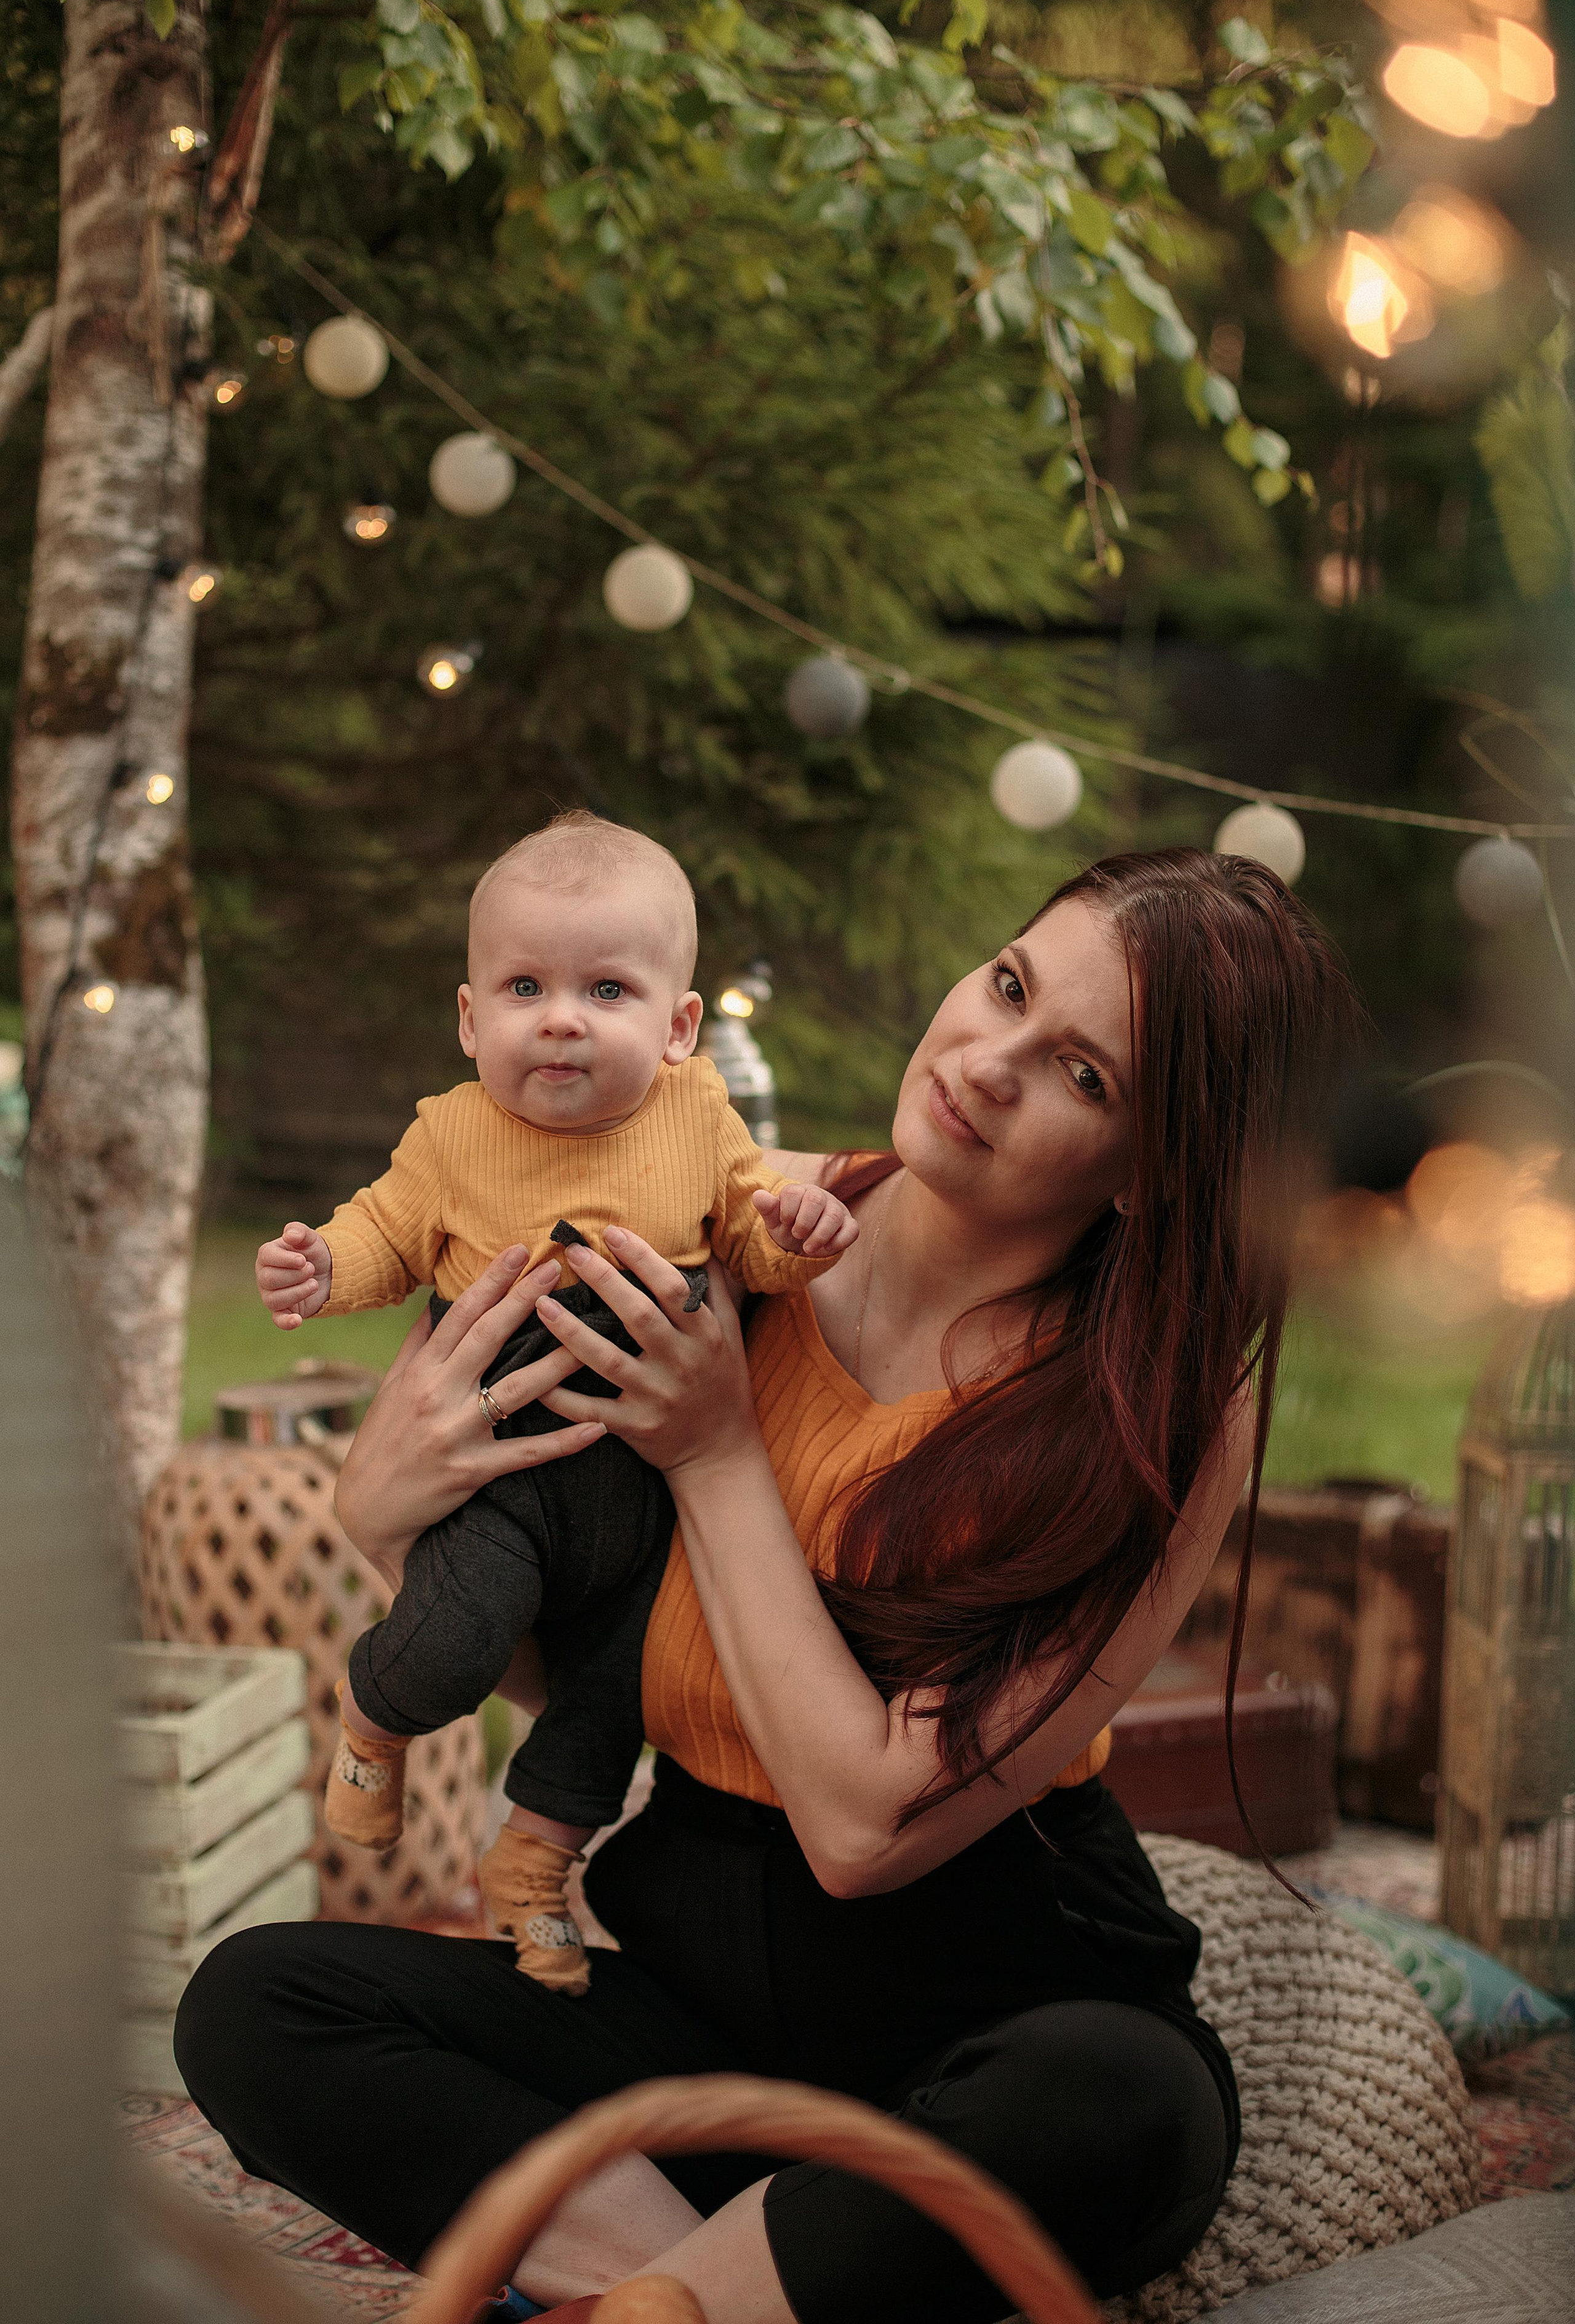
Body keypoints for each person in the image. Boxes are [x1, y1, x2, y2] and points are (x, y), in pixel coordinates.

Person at [178, 848, 1360, 2324]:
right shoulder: (713, 1229)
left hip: (987, 2018)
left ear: (1154, 1168)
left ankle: (692, 2279)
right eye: (1005, 986)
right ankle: (730, 2289)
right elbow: (606, 1656)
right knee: (258, 2007)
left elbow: (869, 1832)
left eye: (1081, 1076)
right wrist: (386, 1517)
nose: (984, 1066)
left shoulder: (1150, 1403)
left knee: (1120, 2105)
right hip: (694, 2019)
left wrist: (718, 1449)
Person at [250, 811, 857, 1989]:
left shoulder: (699, 1122)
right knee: (456, 1640)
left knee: (612, 1699)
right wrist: (325, 1268)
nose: (562, 1017)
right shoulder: (453, 1133)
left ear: (681, 1028)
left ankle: (532, 1867)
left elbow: (750, 1238)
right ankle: (380, 1714)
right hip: (504, 1471)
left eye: (608, 989)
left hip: (652, 1504)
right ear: (472, 1019)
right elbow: (385, 1231)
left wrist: (803, 1238)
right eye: (525, 986)